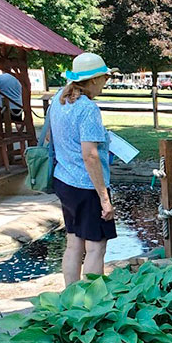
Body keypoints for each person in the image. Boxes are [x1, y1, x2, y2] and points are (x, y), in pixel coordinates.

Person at [49, 52, 116, 286]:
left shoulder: (59, 99)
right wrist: (104, 199)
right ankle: (92, 303)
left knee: (74, 242)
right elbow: (90, 155)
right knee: (96, 246)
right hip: (86, 186)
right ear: (95, 79)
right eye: (105, 79)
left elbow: (53, 138)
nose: (105, 84)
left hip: (64, 180)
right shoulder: (88, 108)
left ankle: (71, 298)